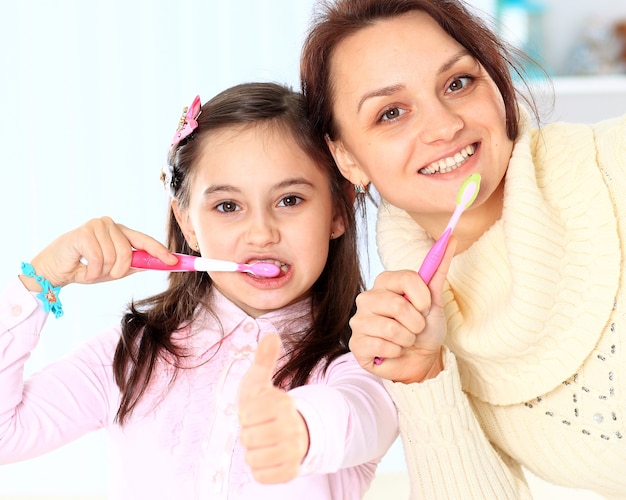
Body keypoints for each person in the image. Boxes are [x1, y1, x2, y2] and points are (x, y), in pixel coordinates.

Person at [0, 82, 398, 499]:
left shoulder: (359, 364)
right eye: (228, 206)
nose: (261, 233)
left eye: (290, 200)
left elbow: (364, 416)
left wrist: (298, 426)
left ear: (338, 210)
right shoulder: (131, 356)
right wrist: (39, 279)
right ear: (188, 222)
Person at [300, 0, 626, 498]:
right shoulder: (417, 331)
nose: (444, 125)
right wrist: (423, 377)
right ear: (347, 158)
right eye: (391, 113)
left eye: (458, 83)